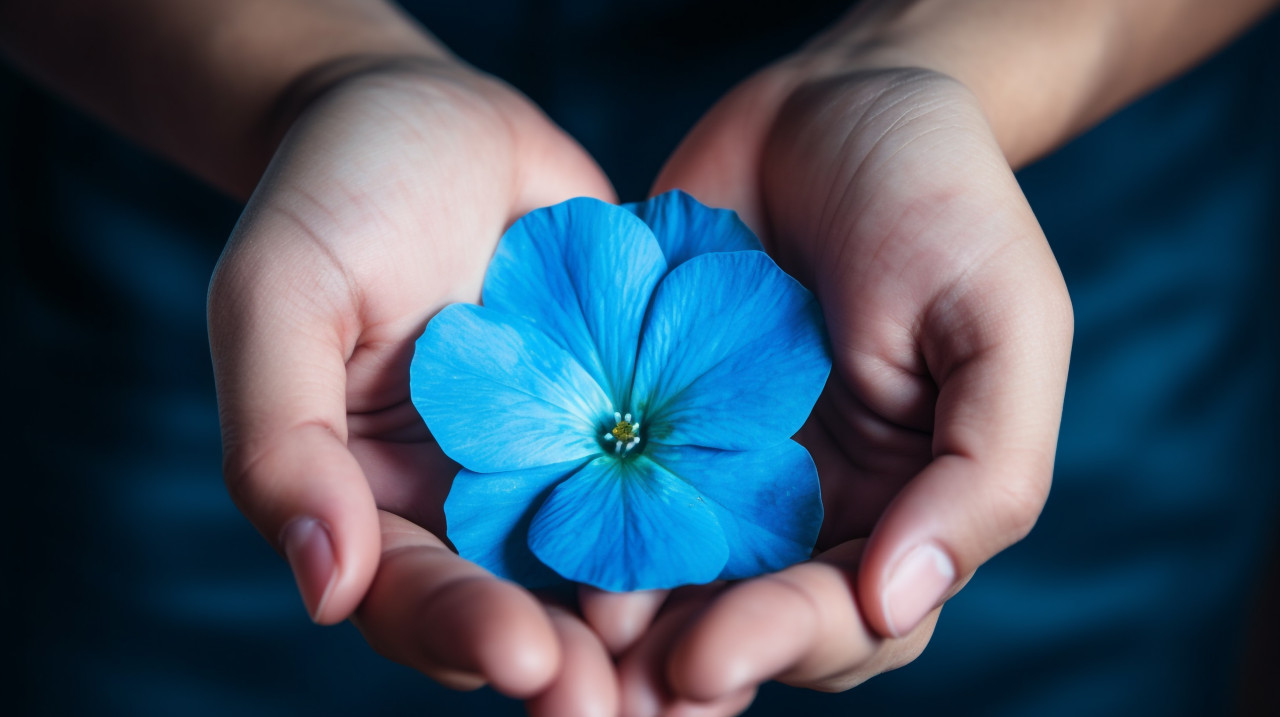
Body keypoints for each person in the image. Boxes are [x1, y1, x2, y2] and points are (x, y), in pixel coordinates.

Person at [3, 1, 1276, 715]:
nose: (621, 440)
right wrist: (315, 77)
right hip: (219, 191)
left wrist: (922, 71)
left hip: (1024, 173)